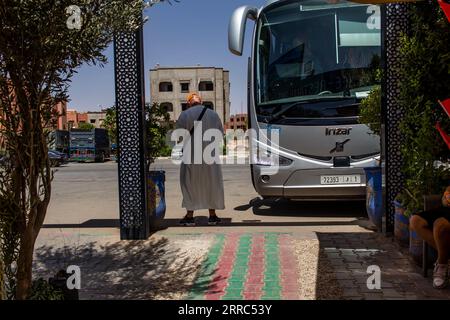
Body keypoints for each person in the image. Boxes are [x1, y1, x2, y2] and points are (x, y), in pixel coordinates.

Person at [175, 93, 225, 226]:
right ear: (201, 102)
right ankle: (212, 216)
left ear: (189, 103)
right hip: (210, 157)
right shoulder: (213, 115)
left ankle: (190, 217)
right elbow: (220, 135)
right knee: (211, 184)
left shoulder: (184, 115)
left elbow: (178, 137)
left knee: (189, 184)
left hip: (191, 156)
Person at [410, 186, 450, 289]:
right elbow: (445, 198)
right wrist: (446, 197)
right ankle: (446, 255)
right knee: (415, 220)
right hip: (445, 209)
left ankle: (442, 264)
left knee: (440, 225)